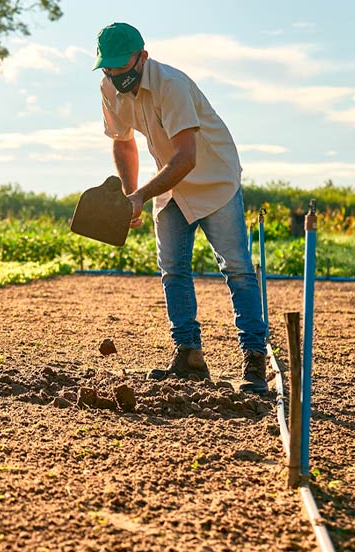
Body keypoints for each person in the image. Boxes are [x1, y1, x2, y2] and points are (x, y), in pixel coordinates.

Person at [93, 22, 269, 394]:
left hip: (213, 179)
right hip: (170, 185)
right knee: (172, 270)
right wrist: (130, 196)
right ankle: (188, 355)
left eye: (122, 69)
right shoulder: (109, 85)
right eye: (108, 68)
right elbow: (123, 142)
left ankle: (254, 361)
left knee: (236, 268)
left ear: (143, 57)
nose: (116, 76)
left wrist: (140, 194)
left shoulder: (171, 85)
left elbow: (186, 157)